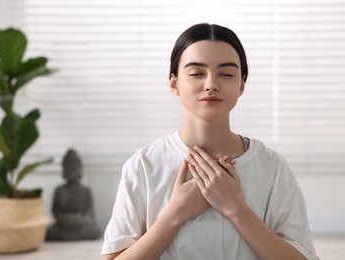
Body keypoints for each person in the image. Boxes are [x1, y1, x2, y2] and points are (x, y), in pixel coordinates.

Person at [101, 23, 318, 259]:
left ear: (241, 85)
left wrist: (235, 208)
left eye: (226, 74)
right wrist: (177, 213)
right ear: (174, 83)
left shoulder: (272, 167)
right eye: (196, 73)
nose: (211, 84)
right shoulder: (144, 164)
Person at [46, 149, 100, 241]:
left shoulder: (85, 190)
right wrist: (64, 219)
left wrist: (79, 219)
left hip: (80, 225)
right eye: (68, 166)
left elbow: (89, 213)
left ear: (79, 168)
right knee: (50, 232)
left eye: (74, 166)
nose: (71, 169)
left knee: (95, 230)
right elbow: (55, 211)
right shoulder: (59, 190)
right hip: (63, 225)